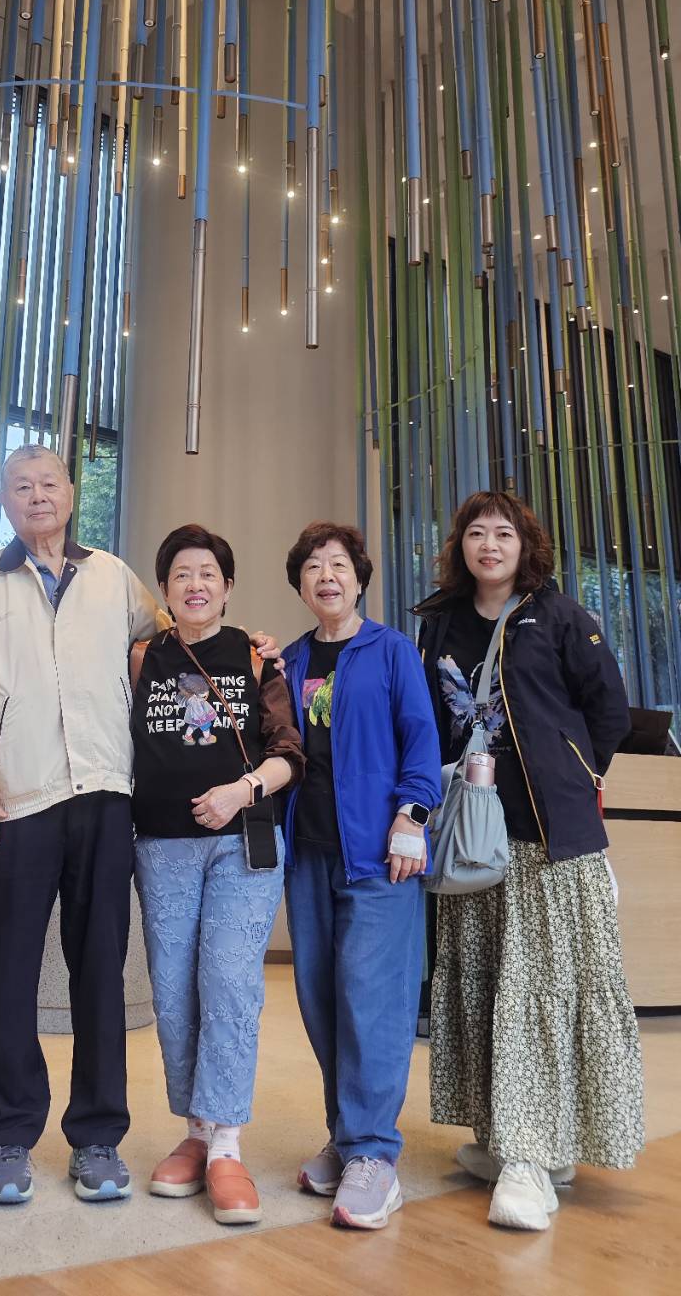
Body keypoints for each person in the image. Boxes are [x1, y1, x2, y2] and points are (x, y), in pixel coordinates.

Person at [0, 447, 280, 1208]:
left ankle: (97, 1137)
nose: (37, 496)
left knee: (99, 974)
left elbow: (183, 635)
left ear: (70, 493)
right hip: (12, 801)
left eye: (49, 483)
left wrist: (250, 646)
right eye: (21, 486)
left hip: (104, 799)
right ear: (4, 500)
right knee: (6, 973)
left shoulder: (113, 577)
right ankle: (7, 1137)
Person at [416, 490, 645, 1232]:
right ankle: (510, 1137)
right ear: (460, 545)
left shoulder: (561, 616)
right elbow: (427, 720)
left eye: (503, 533)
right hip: (468, 835)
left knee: (536, 992)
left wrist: (573, 774)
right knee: (485, 987)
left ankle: (530, 1158)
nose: (489, 544)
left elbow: (609, 711)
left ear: (525, 546)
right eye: (476, 532)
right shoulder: (439, 622)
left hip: (547, 838)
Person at [130, 524, 304, 1226]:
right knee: (174, 992)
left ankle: (227, 1142)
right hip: (161, 845)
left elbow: (290, 753)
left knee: (229, 983)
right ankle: (196, 1133)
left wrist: (241, 791)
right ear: (164, 590)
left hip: (243, 842)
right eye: (181, 574)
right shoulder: (142, 657)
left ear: (228, 587)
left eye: (208, 573)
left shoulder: (257, 658)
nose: (195, 584)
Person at [281, 521, 442, 1231]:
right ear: (301, 584)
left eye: (339, 564)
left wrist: (413, 814)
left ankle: (375, 1153)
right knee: (321, 998)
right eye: (313, 566)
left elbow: (422, 736)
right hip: (309, 854)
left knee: (371, 1000)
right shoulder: (289, 660)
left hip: (379, 853)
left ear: (359, 578)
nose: (327, 575)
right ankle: (347, 1137)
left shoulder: (391, 649)